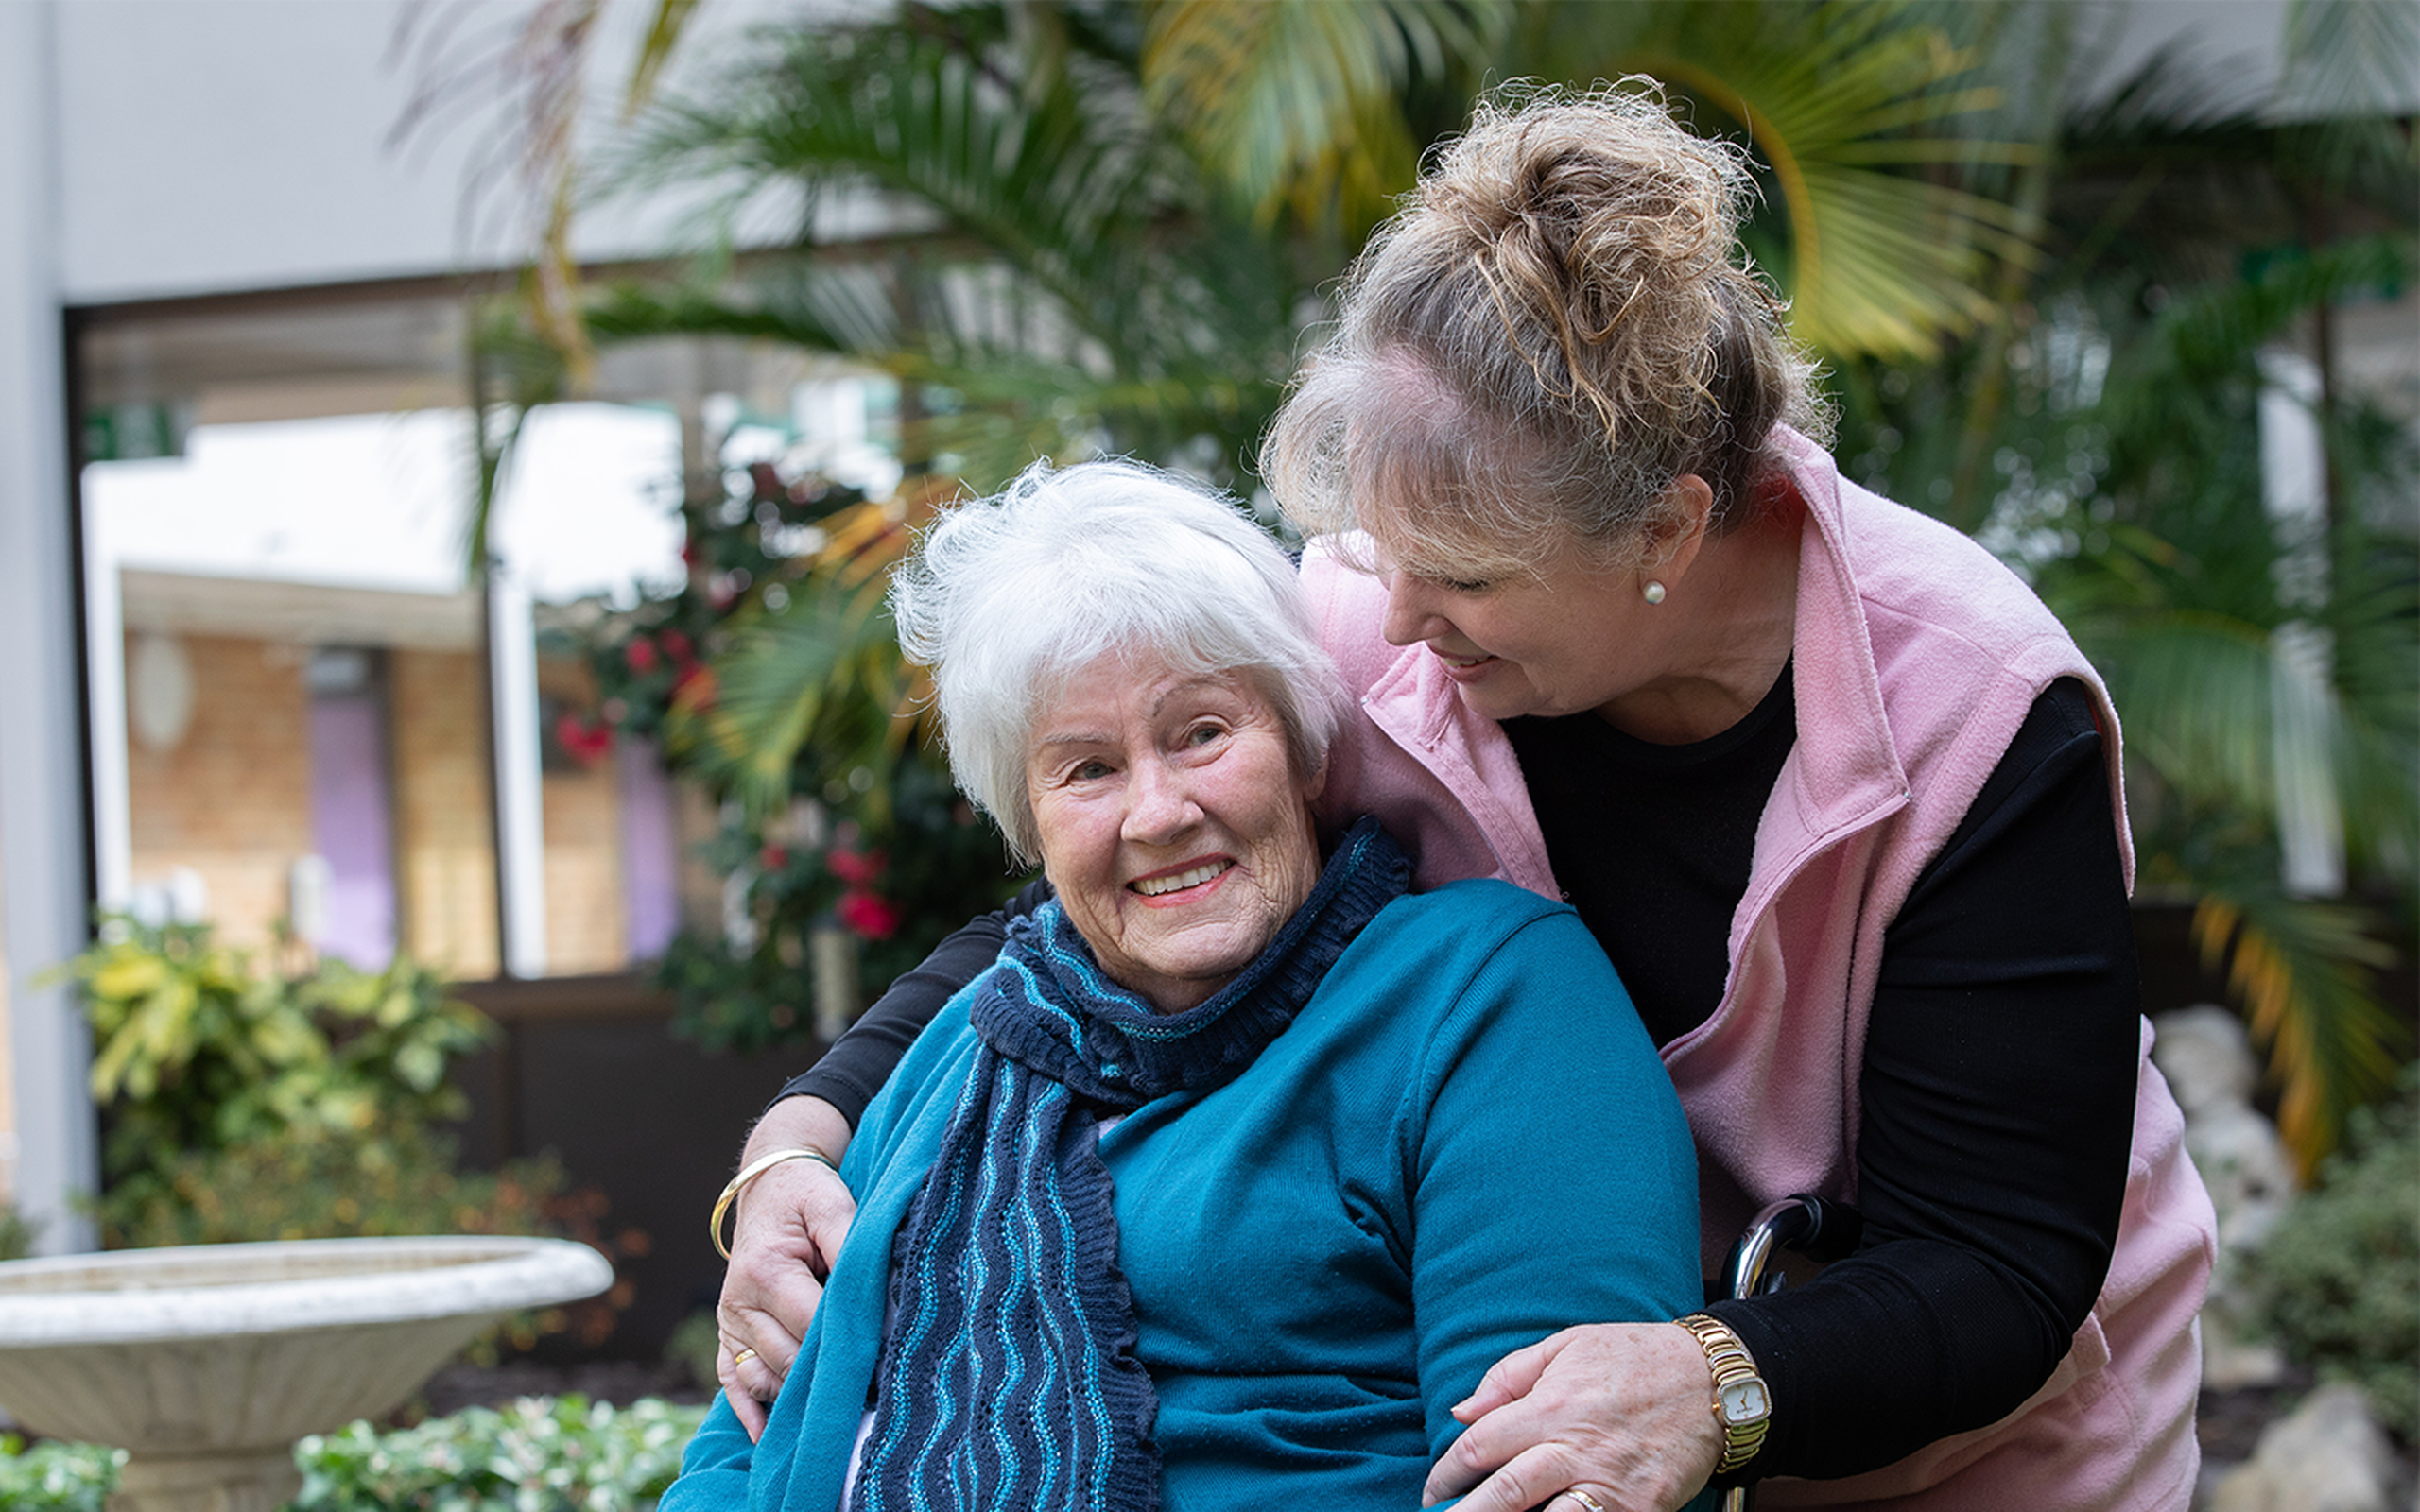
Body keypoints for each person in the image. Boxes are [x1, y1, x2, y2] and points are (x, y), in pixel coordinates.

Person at [719, 88, 2218, 1512]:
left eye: (1469, 577)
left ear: (1665, 530)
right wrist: (803, 1134)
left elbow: (1997, 1262)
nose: (1396, 616)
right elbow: (1105, 893)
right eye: (1386, 552)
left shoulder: (1975, 710)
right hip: (1607, 1384)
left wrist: (1711, 1381)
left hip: (1967, 1430)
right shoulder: (1390, 626)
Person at [666, 458, 1708, 1512]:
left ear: (1306, 749)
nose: (1158, 813)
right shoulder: (970, 1042)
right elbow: (749, 1436)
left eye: (1202, 733)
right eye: (1088, 769)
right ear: (1030, 826)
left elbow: (1543, 1467)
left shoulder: (1481, 994)